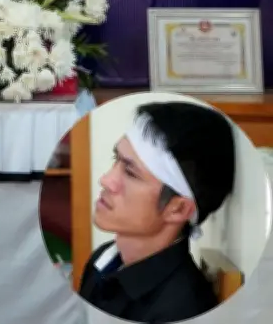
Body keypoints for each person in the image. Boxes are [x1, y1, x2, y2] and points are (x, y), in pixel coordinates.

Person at [79, 101, 235, 323]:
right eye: (116, 160)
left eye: (131, 173)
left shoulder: (181, 310)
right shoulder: (102, 261)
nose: (106, 180)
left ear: (178, 209)